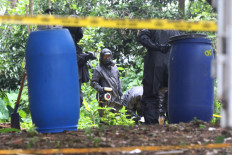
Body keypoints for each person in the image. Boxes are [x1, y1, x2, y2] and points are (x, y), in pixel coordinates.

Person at [138, 29, 181, 125]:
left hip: (155, 67)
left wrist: (156, 47)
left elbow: (142, 37)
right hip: (173, 66)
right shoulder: (177, 30)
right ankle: (174, 125)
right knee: (173, 97)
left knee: (150, 97)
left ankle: (152, 127)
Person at [65, 26, 96, 107]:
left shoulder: (73, 45)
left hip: (75, 78)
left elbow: (78, 57)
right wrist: (86, 56)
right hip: (70, 78)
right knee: (73, 100)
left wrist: (87, 59)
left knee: (77, 100)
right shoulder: (66, 44)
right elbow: (73, 59)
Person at [91, 48, 123, 118]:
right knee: (105, 119)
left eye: (109, 56)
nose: (107, 58)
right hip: (106, 98)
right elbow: (93, 82)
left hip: (116, 98)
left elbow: (118, 80)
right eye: (105, 56)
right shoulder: (98, 69)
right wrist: (101, 89)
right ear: (102, 57)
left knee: (118, 118)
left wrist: (120, 92)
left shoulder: (115, 68)